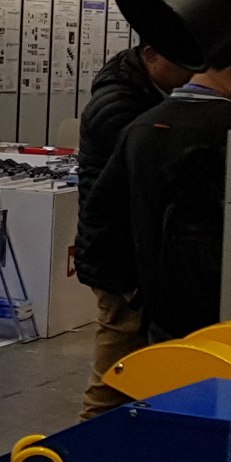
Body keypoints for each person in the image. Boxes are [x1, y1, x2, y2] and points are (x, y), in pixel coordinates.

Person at [86, 19, 231, 369]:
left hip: (157, 305)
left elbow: (102, 209)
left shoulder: (143, 125)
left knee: (140, 384)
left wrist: (129, 288)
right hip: (219, 309)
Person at [70, 41, 194, 417]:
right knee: (113, 378)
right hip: (119, 259)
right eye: (182, 63)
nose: (190, 75)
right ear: (152, 56)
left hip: (122, 254)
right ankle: (87, 447)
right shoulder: (121, 107)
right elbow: (136, 188)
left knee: (127, 368)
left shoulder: (141, 95)